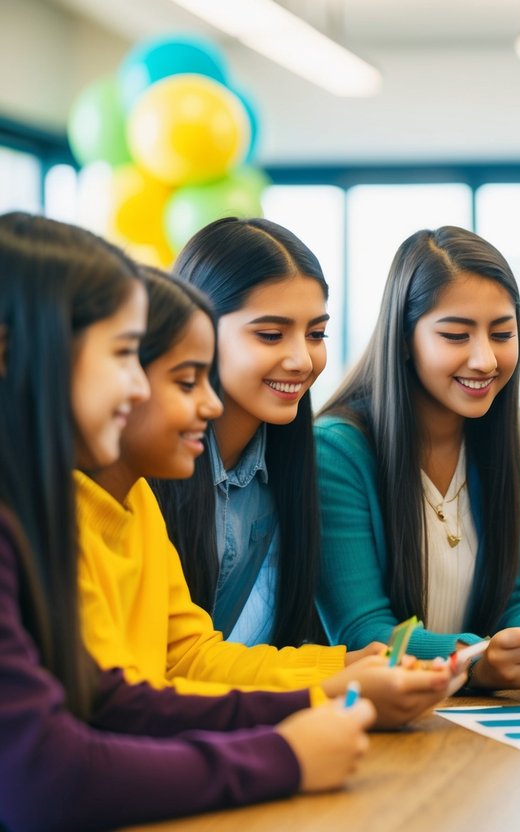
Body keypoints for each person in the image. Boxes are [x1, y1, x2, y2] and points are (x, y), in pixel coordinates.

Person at [0, 212, 374, 831]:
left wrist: (320, 692)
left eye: (316, 332)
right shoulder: (46, 512)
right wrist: (282, 754)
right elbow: (48, 774)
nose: (136, 386)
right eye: (125, 356)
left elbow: (112, 696)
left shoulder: (111, 500)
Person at [75, 266, 456, 722]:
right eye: (185, 381)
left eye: (317, 333)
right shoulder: (57, 519)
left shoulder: (136, 501)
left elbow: (187, 655)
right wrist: (322, 698)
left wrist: (339, 668)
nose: (301, 359)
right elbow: (114, 711)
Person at [315, 227, 520, 690]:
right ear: (403, 339)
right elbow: (362, 632)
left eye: (502, 334)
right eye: (456, 335)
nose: (485, 360)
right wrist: (477, 657)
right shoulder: (338, 449)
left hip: (480, 721)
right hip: (371, 717)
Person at [152, 218, 332, 648]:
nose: (302, 360)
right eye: (271, 335)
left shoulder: (290, 461)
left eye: (316, 334)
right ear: (198, 332)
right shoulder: (144, 465)